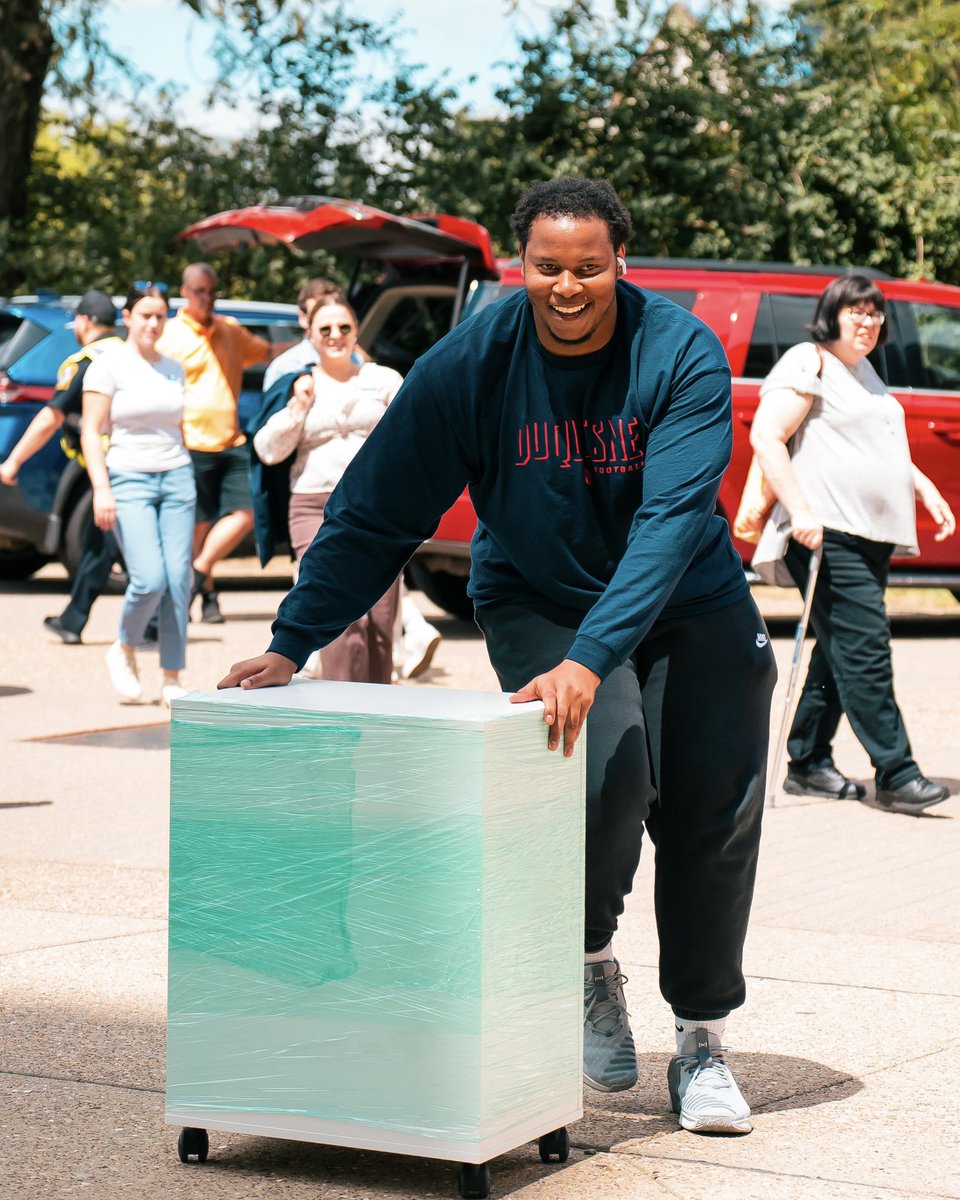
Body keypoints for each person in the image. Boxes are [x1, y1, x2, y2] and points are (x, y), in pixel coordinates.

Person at [222, 179, 777, 1133]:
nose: (568, 286)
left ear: (621, 265)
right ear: (519, 268)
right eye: (547, 268)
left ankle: (701, 1043)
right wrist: (293, 638)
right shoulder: (471, 362)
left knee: (712, 813)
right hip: (542, 599)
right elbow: (376, 507)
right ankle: (590, 964)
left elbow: (673, 519)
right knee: (605, 772)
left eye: (589, 267)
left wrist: (600, 651)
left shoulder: (677, 351)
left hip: (689, 600)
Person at [750, 274, 955, 816]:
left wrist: (925, 488)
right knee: (866, 649)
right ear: (832, 315)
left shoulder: (865, 373)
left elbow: (881, 449)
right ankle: (897, 773)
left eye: (875, 314)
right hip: (827, 531)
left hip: (872, 533)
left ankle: (808, 762)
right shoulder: (807, 360)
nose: (868, 323)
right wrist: (800, 512)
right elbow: (766, 437)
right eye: (856, 312)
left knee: (841, 648)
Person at [252, 298, 404, 683]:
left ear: (356, 332)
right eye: (325, 330)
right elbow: (268, 450)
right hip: (313, 504)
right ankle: (346, 721)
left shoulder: (384, 379)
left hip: (376, 507)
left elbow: (409, 437)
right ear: (311, 337)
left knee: (380, 620)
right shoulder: (299, 384)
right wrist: (298, 408)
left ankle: (380, 717)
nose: (335, 336)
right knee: (337, 615)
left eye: (344, 328)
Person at [81, 282, 196, 705]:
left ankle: (171, 675)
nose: (153, 323)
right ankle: (125, 646)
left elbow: (177, 429)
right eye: (145, 315)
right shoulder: (107, 366)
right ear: (127, 317)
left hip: (177, 477)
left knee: (180, 578)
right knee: (149, 579)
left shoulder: (173, 368)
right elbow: (92, 432)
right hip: (128, 477)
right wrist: (101, 490)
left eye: (160, 316)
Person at [0, 290, 130, 645]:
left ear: (85, 322)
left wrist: (13, 461)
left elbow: (50, 417)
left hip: (109, 466)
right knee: (101, 544)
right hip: (129, 463)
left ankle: (149, 624)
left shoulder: (89, 362)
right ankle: (73, 620)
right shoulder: (129, 354)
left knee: (126, 547)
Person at [157, 262, 275, 625]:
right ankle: (208, 596)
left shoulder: (230, 330)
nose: (207, 298)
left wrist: (311, 342)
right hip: (188, 443)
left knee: (246, 513)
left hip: (230, 440)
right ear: (184, 292)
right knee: (198, 526)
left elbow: (269, 351)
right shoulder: (169, 335)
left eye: (212, 291)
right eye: (199, 291)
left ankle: (197, 571)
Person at [261, 277, 345, 392]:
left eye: (332, 313)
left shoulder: (356, 361)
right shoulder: (284, 368)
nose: (326, 321)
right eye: (316, 314)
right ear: (303, 318)